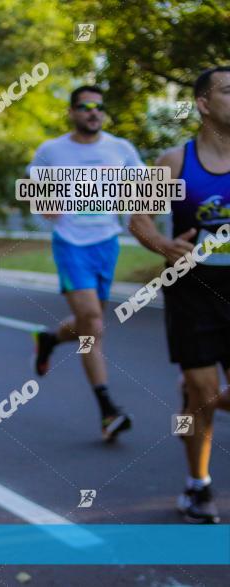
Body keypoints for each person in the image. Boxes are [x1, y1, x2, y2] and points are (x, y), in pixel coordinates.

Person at [129, 66, 230, 523]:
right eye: (229, 91)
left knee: (203, 394)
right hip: (192, 286)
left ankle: (191, 391)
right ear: (205, 104)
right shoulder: (174, 161)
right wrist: (163, 246)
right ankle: (198, 486)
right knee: (206, 392)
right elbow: (140, 220)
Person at [29, 85, 143, 442]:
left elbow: (142, 189)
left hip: (106, 244)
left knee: (87, 322)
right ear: (72, 112)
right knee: (93, 323)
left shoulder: (121, 149)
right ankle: (108, 410)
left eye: (98, 107)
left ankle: (49, 338)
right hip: (71, 244)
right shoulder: (51, 151)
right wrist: (47, 201)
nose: (93, 112)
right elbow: (38, 191)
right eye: (84, 107)